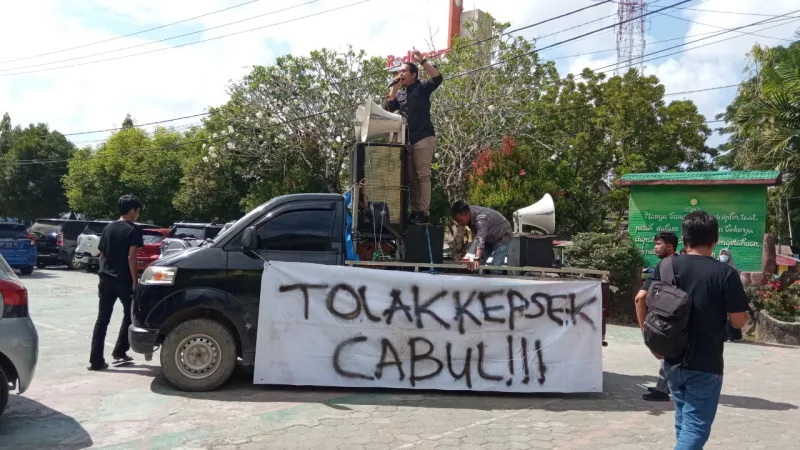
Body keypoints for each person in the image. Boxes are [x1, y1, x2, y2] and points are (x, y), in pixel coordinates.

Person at [642, 211, 749, 449]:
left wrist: (650, 341)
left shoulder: (666, 265)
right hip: (705, 363)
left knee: (683, 420)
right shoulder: (725, 273)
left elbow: (641, 299)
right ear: (715, 239)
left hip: (671, 358)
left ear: (684, 237)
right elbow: (739, 322)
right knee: (695, 426)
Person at [385, 49, 443, 225]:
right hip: (407, 141)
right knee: (410, 178)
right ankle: (415, 210)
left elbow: (438, 78)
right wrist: (394, 88)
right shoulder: (401, 93)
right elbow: (388, 108)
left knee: (422, 175)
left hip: (424, 137)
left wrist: (423, 61)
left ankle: (423, 212)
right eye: (399, 72)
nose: (400, 74)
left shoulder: (423, 87)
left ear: (414, 75)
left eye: (403, 71)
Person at [88, 195, 144, 371]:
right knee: (130, 315)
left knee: (102, 319)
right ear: (133, 210)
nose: (138, 215)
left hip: (106, 279)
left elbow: (102, 255)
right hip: (124, 280)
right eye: (138, 211)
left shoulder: (108, 228)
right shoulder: (133, 230)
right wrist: (136, 281)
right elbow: (131, 257)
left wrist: (102, 273)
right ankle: (120, 350)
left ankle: (95, 361)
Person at [635, 231, 678, 402]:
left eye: (658, 244)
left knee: (668, 353)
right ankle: (663, 387)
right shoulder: (685, 263)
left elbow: (640, 298)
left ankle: (664, 389)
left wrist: (644, 328)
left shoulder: (663, 267)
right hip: (686, 318)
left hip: (666, 318)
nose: (655, 248)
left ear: (669, 247)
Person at [451, 201, 512, 273]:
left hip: (502, 236)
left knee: (495, 268)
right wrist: (470, 257)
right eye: (457, 221)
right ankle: (476, 281)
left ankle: (495, 281)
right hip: (488, 237)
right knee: (475, 266)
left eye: (460, 221)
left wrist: (477, 258)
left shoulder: (481, 218)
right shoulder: (468, 211)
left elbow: (480, 239)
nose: (459, 223)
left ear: (467, 214)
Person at [719, 248, 743, 342]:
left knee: (731, 315)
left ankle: (732, 336)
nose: (723, 256)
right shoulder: (716, 266)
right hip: (719, 295)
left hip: (730, 294)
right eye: (722, 254)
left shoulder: (734, 268)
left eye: (725, 254)